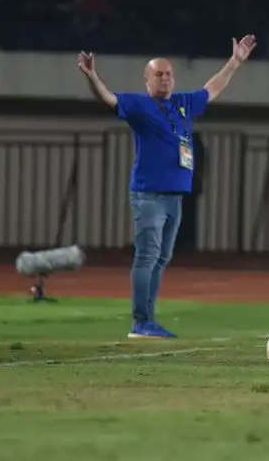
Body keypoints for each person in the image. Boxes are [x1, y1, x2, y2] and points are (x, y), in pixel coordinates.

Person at [77, 35, 257, 338]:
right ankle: (141, 321)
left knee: (161, 257)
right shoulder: (138, 104)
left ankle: (147, 319)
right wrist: (93, 76)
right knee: (147, 255)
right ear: (147, 79)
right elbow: (108, 98)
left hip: (175, 195)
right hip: (149, 193)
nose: (165, 78)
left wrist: (235, 62)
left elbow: (211, 88)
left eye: (169, 73)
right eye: (158, 74)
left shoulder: (183, 103)